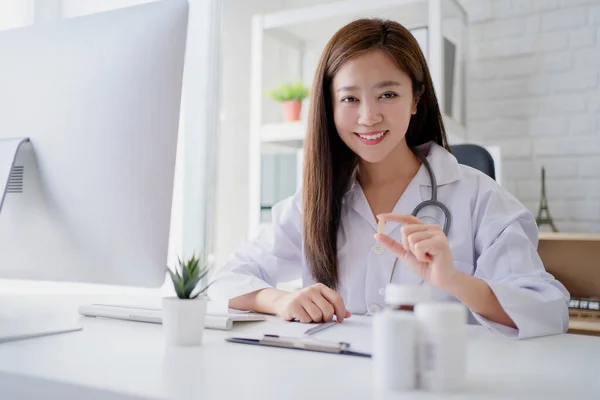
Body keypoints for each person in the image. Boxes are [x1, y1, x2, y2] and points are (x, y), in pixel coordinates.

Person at [208, 18, 569, 339]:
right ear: (330, 108)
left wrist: (454, 282)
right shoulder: (314, 202)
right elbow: (226, 278)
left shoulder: (479, 197)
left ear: (416, 99)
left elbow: (547, 309)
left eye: (388, 94)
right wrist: (282, 300)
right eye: (349, 98)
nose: (368, 117)